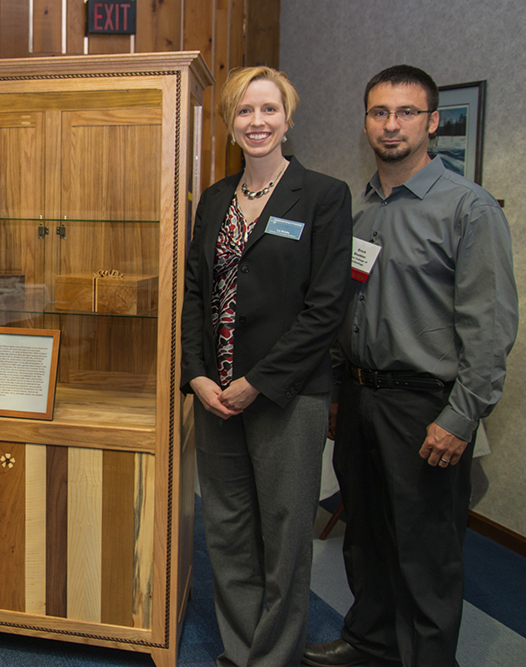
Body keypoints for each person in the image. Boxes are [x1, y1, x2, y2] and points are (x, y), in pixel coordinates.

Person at [303, 65, 517, 667]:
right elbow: (347, 306)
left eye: (406, 113)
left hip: (425, 406)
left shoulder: (468, 208)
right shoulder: (362, 208)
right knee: (366, 534)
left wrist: (461, 418)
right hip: (360, 397)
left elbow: (490, 329)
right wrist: (339, 394)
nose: (391, 124)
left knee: (425, 551)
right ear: (366, 122)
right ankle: (370, 641)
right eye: (379, 112)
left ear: (433, 122)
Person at [180, 66, 352, 667]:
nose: (257, 121)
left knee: (284, 536)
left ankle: (274, 658)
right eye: (244, 111)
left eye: (269, 109)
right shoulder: (214, 200)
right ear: (230, 124)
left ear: (288, 118)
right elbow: (195, 293)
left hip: (287, 395)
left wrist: (258, 382)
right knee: (226, 529)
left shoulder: (324, 196)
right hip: (215, 396)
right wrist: (196, 374)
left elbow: (326, 307)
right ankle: (240, 650)